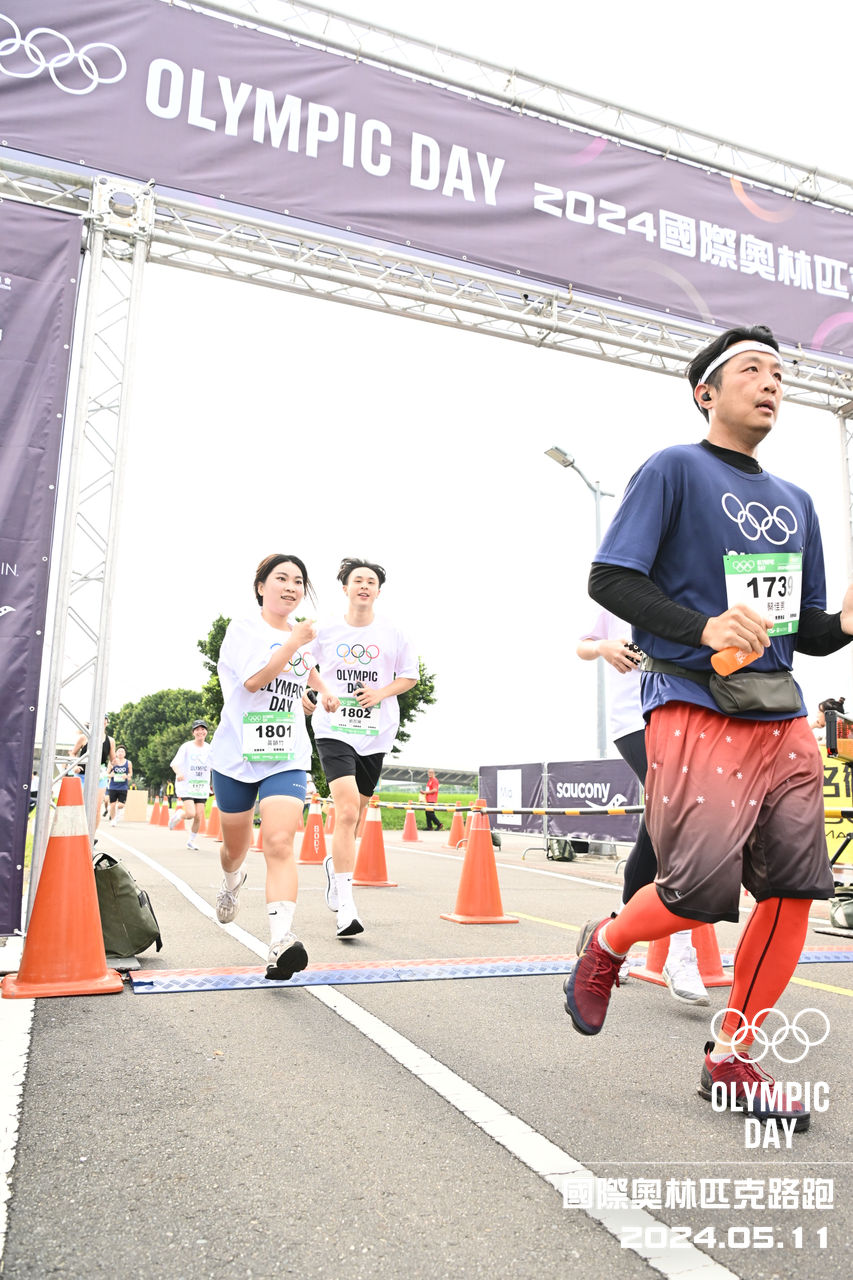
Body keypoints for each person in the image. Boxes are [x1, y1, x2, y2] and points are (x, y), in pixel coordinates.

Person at [563, 324, 853, 1135]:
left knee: (793, 888)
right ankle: (608, 942)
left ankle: (732, 1054)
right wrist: (701, 628)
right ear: (706, 393)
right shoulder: (672, 468)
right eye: (751, 370)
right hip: (691, 699)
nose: (770, 383)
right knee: (694, 892)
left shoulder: (796, 501)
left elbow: (805, 630)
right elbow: (609, 578)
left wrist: (843, 624)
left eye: (778, 373)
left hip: (780, 711)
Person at [209, 553, 334, 982]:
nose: (291, 587)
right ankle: (231, 881)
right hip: (236, 755)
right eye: (282, 578)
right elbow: (254, 681)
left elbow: (305, 669)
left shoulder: (301, 636)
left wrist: (321, 692)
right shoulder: (244, 629)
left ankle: (281, 941)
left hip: (286, 754)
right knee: (236, 847)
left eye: (298, 581)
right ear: (261, 586)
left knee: (280, 841)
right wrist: (294, 642)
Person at [577, 612, 708, 1004]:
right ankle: (680, 954)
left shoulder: (685, 587)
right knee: (673, 816)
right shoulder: (616, 591)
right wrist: (604, 647)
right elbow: (583, 644)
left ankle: (613, 934)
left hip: (686, 713)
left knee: (661, 822)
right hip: (634, 719)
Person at [310, 558, 418, 938]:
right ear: (345, 588)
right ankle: (346, 904)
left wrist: (380, 692)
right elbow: (303, 665)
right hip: (334, 727)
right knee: (345, 810)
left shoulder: (393, 632)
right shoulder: (326, 630)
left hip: (376, 731)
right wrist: (320, 691)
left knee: (356, 815)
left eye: (371, 581)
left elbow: (409, 676)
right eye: (358, 580)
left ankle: (334, 866)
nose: (364, 586)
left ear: (378, 591)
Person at [169, 719, 213, 849]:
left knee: (199, 816)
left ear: (206, 732)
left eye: (203, 729)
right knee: (190, 814)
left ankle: (191, 841)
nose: (200, 732)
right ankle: (179, 815)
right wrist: (178, 773)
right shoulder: (186, 747)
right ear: (193, 732)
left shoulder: (210, 748)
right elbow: (174, 763)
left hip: (202, 786)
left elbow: (215, 765)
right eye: (197, 729)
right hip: (187, 785)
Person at [70, 715, 115, 831]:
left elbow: (112, 759)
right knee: (80, 806)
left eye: (105, 719)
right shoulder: (84, 737)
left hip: (100, 776)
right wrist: (75, 765)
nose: (102, 721)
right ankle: (78, 832)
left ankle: (91, 836)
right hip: (82, 775)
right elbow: (73, 753)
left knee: (96, 808)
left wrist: (115, 764)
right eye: (100, 719)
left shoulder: (110, 741)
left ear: (107, 723)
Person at [107, 747, 133, 824]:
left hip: (123, 786)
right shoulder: (112, 762)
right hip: (113, 786)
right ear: (116, 753)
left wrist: (127, 776)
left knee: (121, 805)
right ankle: (113, 820)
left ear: (125, 754)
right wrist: (110, 775)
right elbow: (107, 774)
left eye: (122, 751)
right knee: (112, 804)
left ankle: (116, 813)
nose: (120, 753)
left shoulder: (128, 763)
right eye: (119, 751)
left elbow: (130, 773)